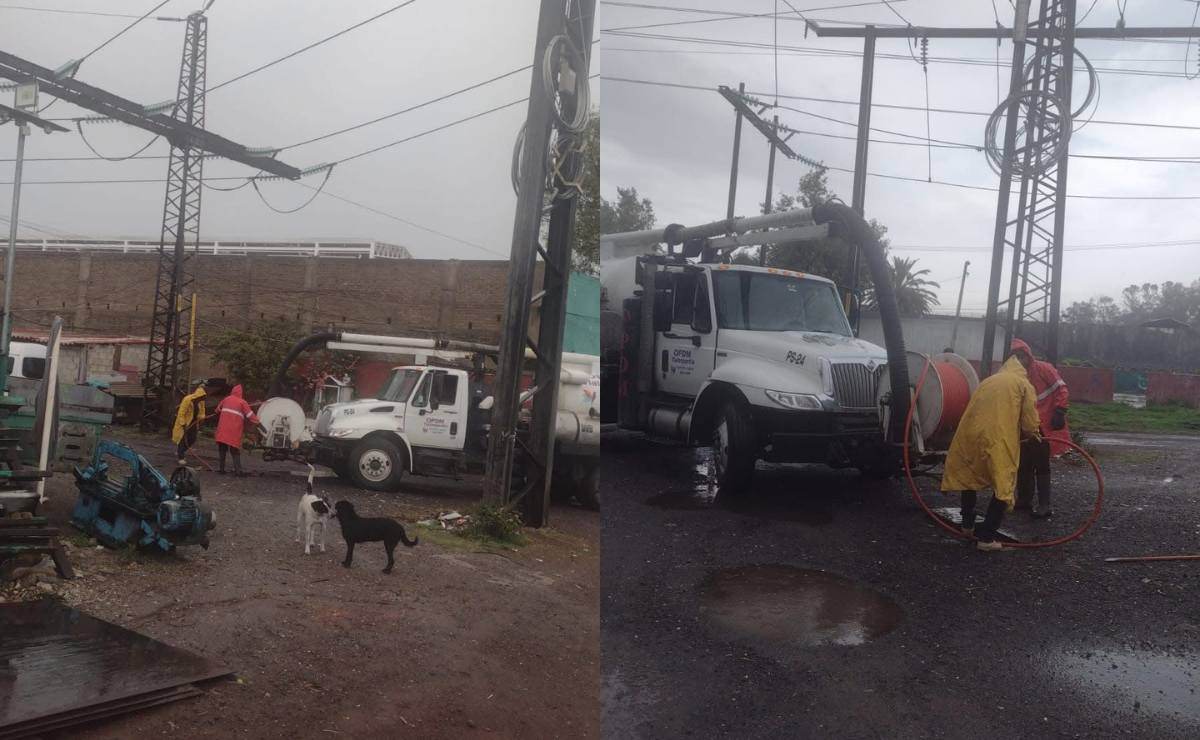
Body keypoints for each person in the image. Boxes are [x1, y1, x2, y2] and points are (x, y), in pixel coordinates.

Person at [941, 349, 1042, 552]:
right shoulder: (1023, 384)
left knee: (968, 474)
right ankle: (986, 538)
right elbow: (1030, 423)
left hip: (971, 433)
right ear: (1023, 363)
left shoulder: (989, 380)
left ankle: (968, 526)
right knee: (1003, 483)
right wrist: (1034, 435)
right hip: (998, 438)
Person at [1009, 338, 1071, 519]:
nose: (1019, 360)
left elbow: (1062, 389)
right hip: (1024, 425)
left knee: (1041, 463)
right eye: (1015, 357)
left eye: (1021, 356)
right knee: (1024, 462)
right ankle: (1024, 500)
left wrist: (1060, 411)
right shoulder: (1013, 375)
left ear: (1028, 355)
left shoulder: (1044, 369)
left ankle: (1044, 505)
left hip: (1044, 424)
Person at [215, 384, 260, 476]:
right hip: (233, 431)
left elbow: (217, 409)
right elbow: (250, 415)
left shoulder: (226, 399)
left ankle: (221, 469)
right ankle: (238, 471)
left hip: (223, 430)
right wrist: (258, 423)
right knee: (235, 451)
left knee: (222, 450)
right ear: (240, 393)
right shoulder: (242, 402)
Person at [172, 382, 207, 465]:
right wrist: (183, 425)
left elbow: (202, 411)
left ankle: (181, 450)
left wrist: (202, 418)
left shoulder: (201, 402)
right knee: (182, 439)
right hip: (184, 423)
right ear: (197, 396)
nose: (202, 400)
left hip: (193, 423)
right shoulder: (187, 399)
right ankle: (181, 457)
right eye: (201, 398)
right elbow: (181, 413)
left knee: (192, 439)